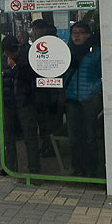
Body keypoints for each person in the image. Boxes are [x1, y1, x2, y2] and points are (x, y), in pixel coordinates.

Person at [63, 21, 102, 177]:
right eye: (74, 33)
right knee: (73, 138)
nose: (77, 35)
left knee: (90, 137)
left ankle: (91, 169)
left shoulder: (96, 53)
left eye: (80, 32)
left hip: (90, 101)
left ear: (88, 35)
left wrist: (93, 90)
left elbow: (103, 75)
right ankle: (77, 167)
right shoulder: (66, 53)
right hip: (71, 100)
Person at [0, 35, 40, 174]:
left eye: (11, 51)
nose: (8, 54)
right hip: (9, 103)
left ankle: (34, 169)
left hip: (25, 104)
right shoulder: (3, 60)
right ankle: (9, 166)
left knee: (30, 137)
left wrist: (15, 67)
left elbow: (30, 78)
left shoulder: (27, 58)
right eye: (6, 51)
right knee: (8, 137)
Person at [30, 19, 65, 158]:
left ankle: (51, 149)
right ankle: (46, 146)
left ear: (43, 30)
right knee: (43, 123)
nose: (34, 32)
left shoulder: (52, 45)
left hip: (52, 93)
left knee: (51, 123)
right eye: (33, 30)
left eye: (36, 29)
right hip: (41, 92)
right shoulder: (36, 46)